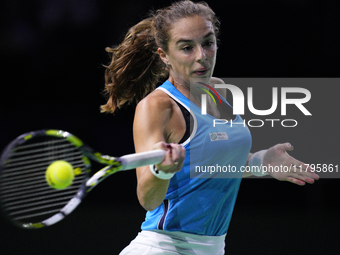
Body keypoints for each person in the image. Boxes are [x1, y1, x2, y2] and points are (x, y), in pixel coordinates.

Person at [100, 1, 319, 254]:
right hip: (165, 247)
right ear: (164, 55)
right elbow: (147, 198)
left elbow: (213, 164)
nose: (202, 56)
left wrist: (262, 161)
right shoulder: (158, 106)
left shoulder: (217, 90)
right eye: (186, 48)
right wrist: (162, 171)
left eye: (208, 43)